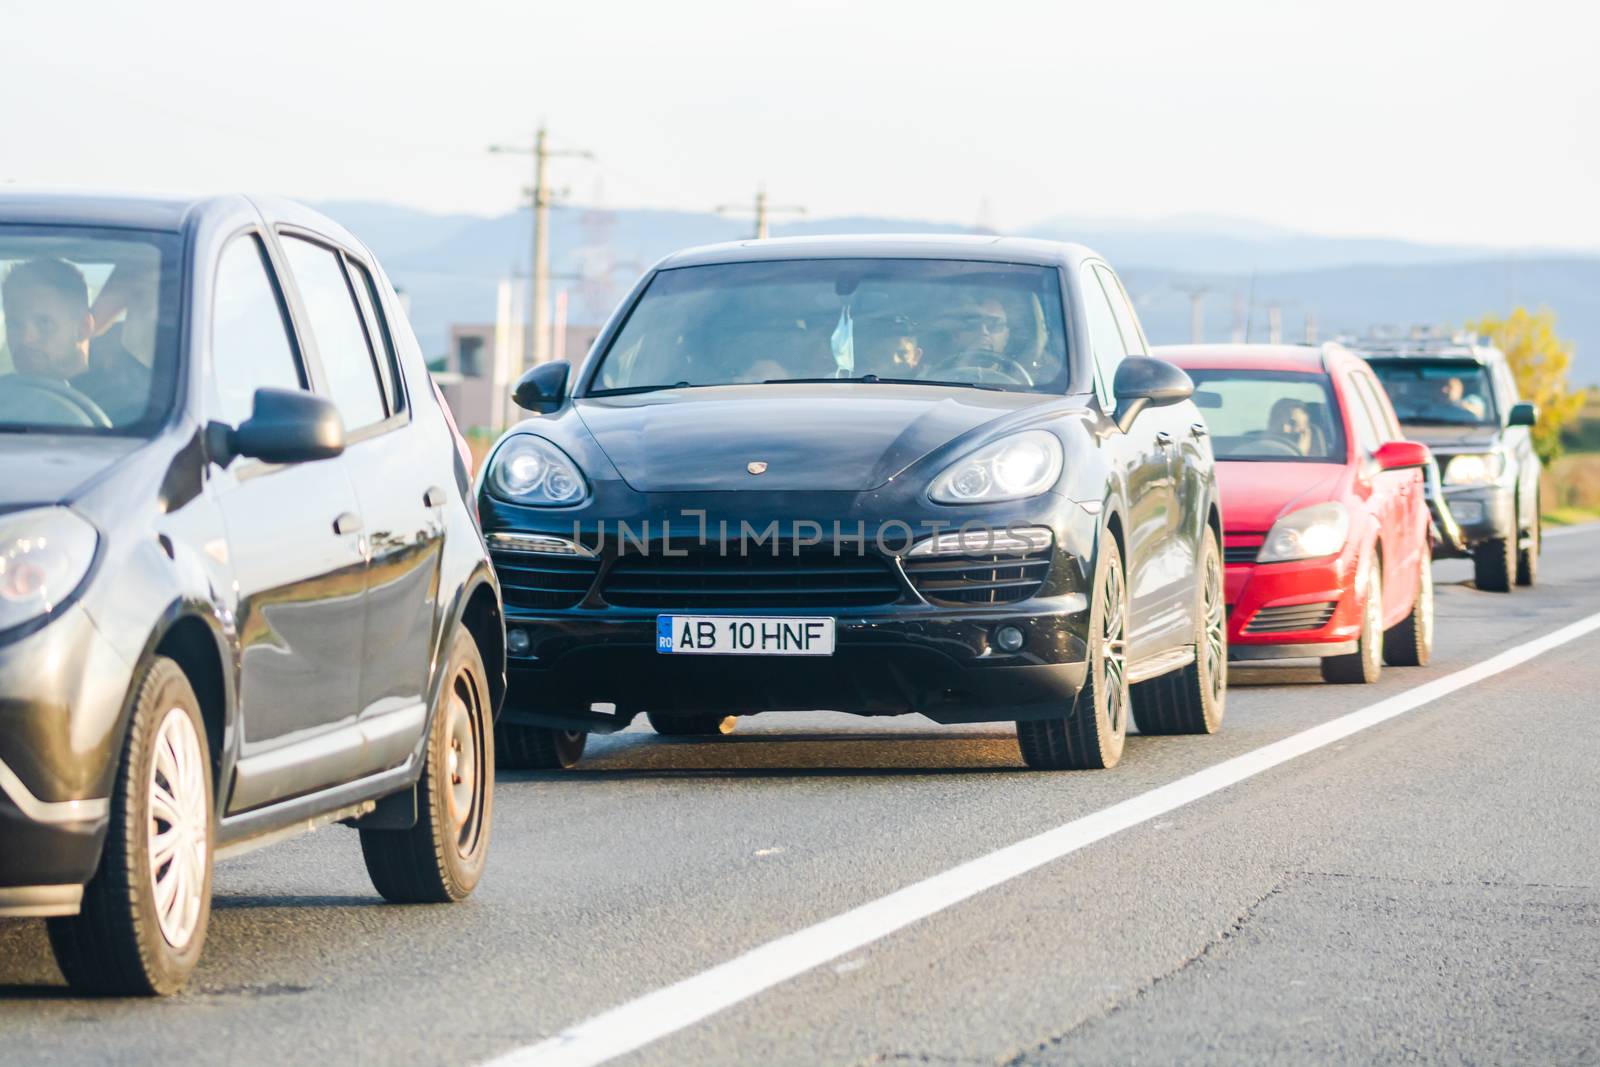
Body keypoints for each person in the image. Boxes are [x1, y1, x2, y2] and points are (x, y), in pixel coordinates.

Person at [1, 257, 148, 425]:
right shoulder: (6, 398)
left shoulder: (130, 412)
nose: (25, 339)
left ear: (83, 327)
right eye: (14, 324)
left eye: (45, 324)